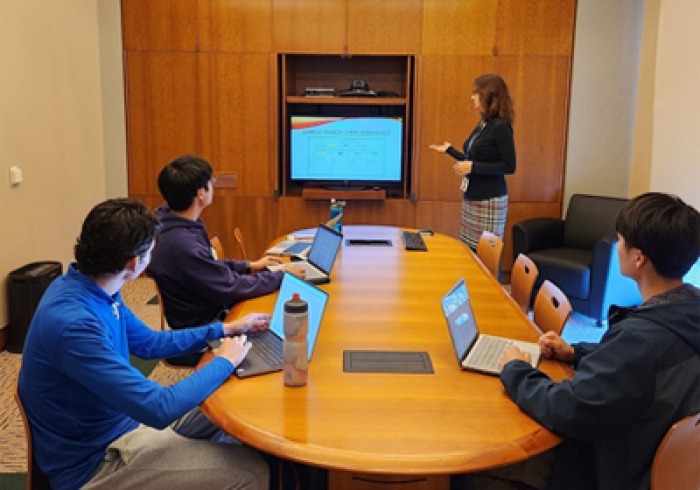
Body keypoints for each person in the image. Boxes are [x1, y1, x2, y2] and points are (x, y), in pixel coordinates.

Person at [18, 198, 270, 489]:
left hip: (126, 423)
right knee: (252, 471)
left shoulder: (94, 286)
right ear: (134, 263)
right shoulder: (74, 325)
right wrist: (225, 360)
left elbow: (150, 343)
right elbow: (158, 408)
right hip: (99, 462)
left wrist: (224, 329)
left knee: (233, 411)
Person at [497, 192, 700, 490]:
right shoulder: (685, 312)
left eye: (620, 240)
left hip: (606, 471)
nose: (617, 247)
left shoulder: (637, 341)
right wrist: (575, 353)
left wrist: (515, 370)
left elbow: (567, 409)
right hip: (667, 467)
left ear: (638, 257)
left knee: (487, 467)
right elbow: (644, 368)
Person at [147, 155, 304, 364]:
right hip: (204, 329)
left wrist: (250, 266)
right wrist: (281, 276)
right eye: (211, 182)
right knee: (286, 336)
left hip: (207, 309)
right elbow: (231, 287)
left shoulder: (173, 221)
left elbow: (210, 267)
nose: (214, 186)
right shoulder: (183, 245)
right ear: (201, 194)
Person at [429, 73, 516, 251]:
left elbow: (510, 166)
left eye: (477, 93)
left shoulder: (501, 127)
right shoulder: (483, 124)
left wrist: (473, 166)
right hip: (472, 199)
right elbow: (472, 160)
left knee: (486, 257)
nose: (472, 97)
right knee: (470, 253)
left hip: (489, 201)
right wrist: (450, 150)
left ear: (490, 96)